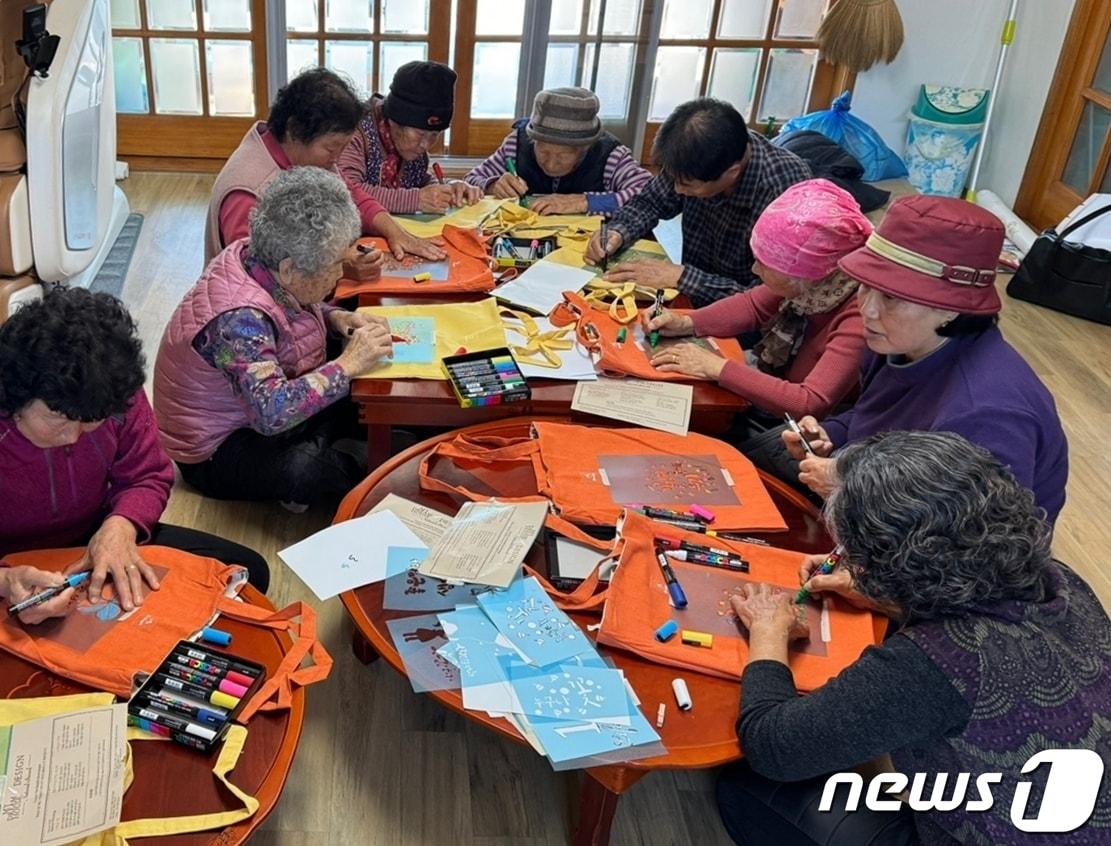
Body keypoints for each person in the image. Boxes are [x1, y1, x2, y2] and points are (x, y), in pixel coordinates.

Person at [718, 431, 1111, 846]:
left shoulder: (939, 660)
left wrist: (768, 631)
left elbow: (773, 746)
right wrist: (879, 590)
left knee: (745, 789)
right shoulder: (1059, 577)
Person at [767, 194, 1068, 525]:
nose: (866, 309)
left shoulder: (985, 415)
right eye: (865, 286)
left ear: (952, 307)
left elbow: (975, 545)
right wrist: (831, 435)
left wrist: (851, 485)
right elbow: (875, 417)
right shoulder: (899, 341)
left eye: (892, 298)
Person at [0, 288, 270, 608]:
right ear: (16, 395)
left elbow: (148, 474)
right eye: (59, 418)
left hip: (94, 537)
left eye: (91, 422)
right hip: (10, 564)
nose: (73, 437)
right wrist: (6, 582)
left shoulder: (110, 391)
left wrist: (122, 525)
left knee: (244, 572)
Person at [156, 168, 394, 509]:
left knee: (363, 391)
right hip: (217, 449)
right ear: (290, 269)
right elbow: (271, 414)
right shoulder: (238, 320)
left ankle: (330, 444)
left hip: (259, 407)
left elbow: (293, 312)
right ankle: (356, 471)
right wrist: (347, 364)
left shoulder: (255, 253)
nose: (342, 273)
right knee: (307, 471)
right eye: (336, 264)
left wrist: (335, 317)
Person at [645, 179, 870, 420]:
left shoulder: (862, 315)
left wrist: (717, 367)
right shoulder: (814, 280)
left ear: (806, 275)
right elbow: (751, 305)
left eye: (765, 265)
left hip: (813, 426)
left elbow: (809, 402)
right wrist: (685, 322)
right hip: (779, 386)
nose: (754, 270)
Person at [204, 67, 443, 269]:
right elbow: (261, 276)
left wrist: (394, 232)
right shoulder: (249, 192)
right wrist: (340, 265)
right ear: (294, 131)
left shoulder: (305, 157)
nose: (337, 160)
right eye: (331, 148)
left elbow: (350, 194)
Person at [584, 98, 811, 307]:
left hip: (747, 327)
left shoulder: (785, 192)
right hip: (691, 304)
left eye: (688, 186)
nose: (676, 190)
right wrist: (617, 232)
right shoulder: (693, 155)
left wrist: (683, 278)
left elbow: (772, 299)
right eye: (673, 179)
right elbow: (650, 202)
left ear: (731, 173)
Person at [463, 87, 652, 216]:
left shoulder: (610, 155)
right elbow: (470, 181)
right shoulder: (516, 144)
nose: (551, 164)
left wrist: (583, 202)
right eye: (543, 152)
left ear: (584, 147)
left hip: (588, 251)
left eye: (564, 155)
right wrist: (492, 185)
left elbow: (648, 195)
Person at [338, 61, 482, 215]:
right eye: (420, 134)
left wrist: (448, 189)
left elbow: (417, 182)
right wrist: (415, 200)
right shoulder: (354, 131)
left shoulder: (411, 149)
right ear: (394, 120)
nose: (425, 145)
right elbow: (345, 192)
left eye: (435, 134)